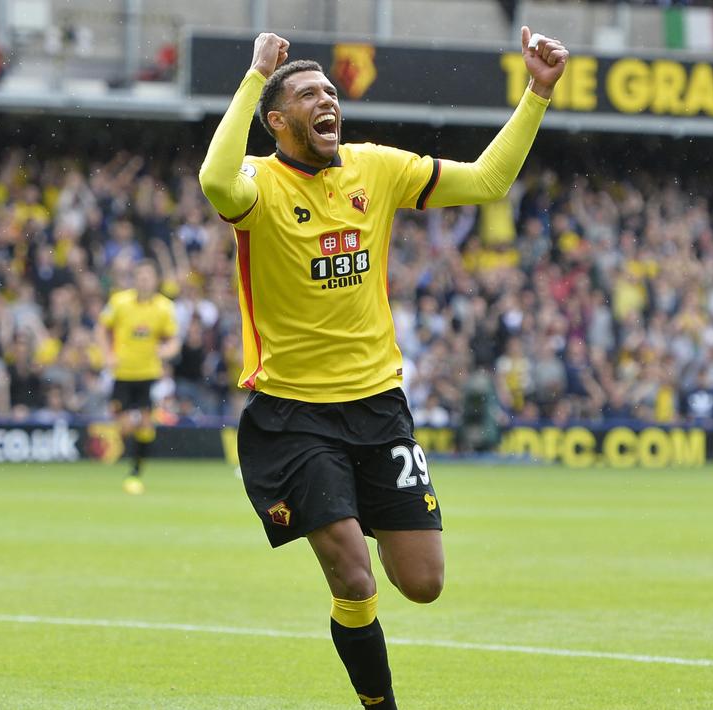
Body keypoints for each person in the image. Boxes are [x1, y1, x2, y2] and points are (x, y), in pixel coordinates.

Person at [199, 28, 567, 708]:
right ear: (277, 120)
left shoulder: (376, 167)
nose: (326, 100)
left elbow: (486, 182)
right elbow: (214, 180)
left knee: (421, 583)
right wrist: (254, 76)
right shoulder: (258, 182)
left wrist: (536, 93)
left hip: (378, 407)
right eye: (308, 94)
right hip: (292, 415)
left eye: (331, 92)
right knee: (353, 575)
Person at [97, 260, 180, 494]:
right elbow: (101, 328)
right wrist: (107, 354)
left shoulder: (164, 307)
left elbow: (173, 339)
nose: (144, 280)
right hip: (122, 372)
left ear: (155, 280)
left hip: (148, 373)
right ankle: (132, 459)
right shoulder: (119, 302)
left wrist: (166, 351)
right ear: (135, 279)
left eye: (148, 277)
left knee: (145, 423)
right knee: (123, 426)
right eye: (140, 276)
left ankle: (136, 470)